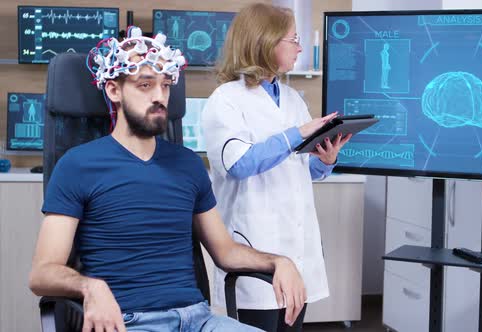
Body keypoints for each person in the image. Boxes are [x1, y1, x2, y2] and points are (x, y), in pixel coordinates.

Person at [28, 26, 306, 332]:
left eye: (165, 85)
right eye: (145, 85)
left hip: (200, 319)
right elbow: (42, 273)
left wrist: (279, 261)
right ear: (113, 90)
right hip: (129, 322)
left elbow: (225, 252)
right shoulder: (78, 165)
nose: (160, 97)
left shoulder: (187, 164)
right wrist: (91, 288)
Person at [202, 4, 351, 331]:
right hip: (254, 251)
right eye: (293, 39)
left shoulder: (292, 98)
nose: (299, 47)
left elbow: (297, 169)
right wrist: (297, 134)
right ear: (264, 42)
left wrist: (325, 162)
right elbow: (239, 164)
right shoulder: (226, 99)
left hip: (297, 253)